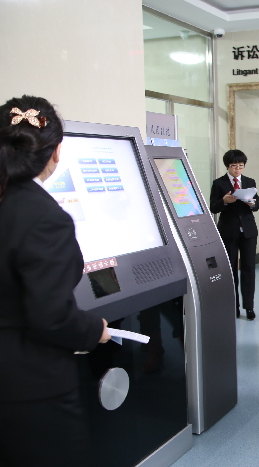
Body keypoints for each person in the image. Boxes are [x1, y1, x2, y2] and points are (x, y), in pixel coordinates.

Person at [0, 95, 111, 466]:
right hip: (27, 385)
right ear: (56, 152)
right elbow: (51, 317)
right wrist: (94, 330)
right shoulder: (43, 216)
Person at [210, 149, 259, 321]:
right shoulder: (219, 183)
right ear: (227, 166)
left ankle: (249, 306)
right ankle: (234, 306)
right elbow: (213, 207)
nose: (237, 169)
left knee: (249, 269)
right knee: (230, 270)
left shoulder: (249, 182)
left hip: (248, 232)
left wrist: (252, 203)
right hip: (228, 231)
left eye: (241, 166)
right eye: (234, 166)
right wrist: (224, 201)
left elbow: (257, 205)